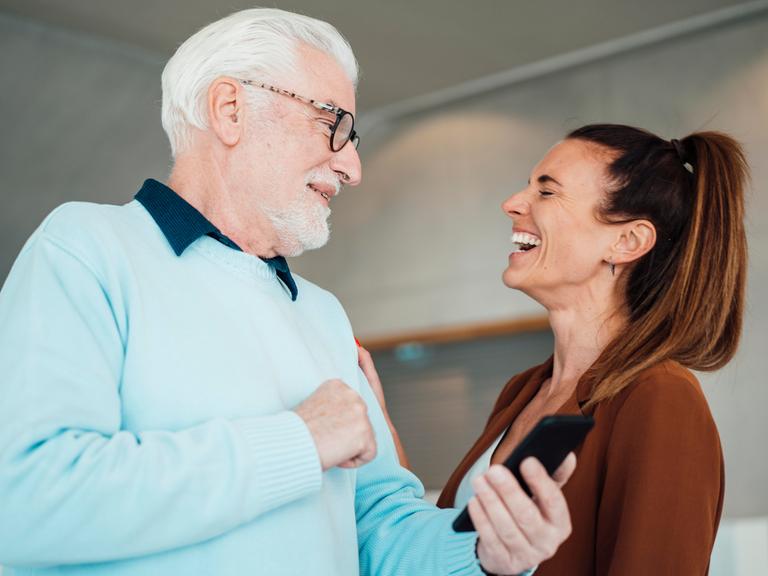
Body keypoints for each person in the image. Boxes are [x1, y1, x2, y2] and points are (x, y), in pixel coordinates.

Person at [0, 8, 577, 576]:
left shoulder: (323, 314)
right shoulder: (86, 247)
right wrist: (299, 442)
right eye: (333, 122)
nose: (353, 166)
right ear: (230, 111)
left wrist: (482, 555)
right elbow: (24, 501)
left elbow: (378, 528)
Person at [363, 123, 746, 574]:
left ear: (627, 241)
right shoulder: (523, 391)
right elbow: (460, 552)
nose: (512, 203)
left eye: (546, 192)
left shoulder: (661, 397)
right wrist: (384, 446)